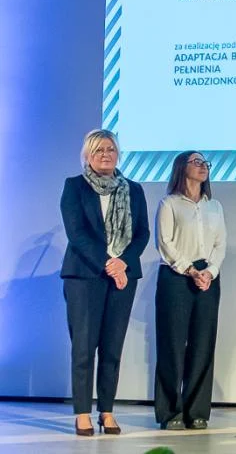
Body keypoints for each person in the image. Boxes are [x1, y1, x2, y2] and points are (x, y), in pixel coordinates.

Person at [60, 129, 150, 436]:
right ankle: (83, 412)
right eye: (98, 150)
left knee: (112, 347)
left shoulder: (133, 189)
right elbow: (77, 233)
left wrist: (123, 262)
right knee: (84, 347)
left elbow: (142, 233)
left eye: (110, 149)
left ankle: (107, 411)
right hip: (85, 275)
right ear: (87, 155)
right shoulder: (75, 186)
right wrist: (108, 263)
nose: (105, 155)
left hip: (123, 274)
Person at [153, 151, 226, 430]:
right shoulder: (169, 203)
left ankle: (196, 411)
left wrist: (210, 272)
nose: (203, 166)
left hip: (207, 277)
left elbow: (220, 244)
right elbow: (165, 243)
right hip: (176, 277)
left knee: (203, 344)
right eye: (196, 162)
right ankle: (170, 411)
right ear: (181, 168)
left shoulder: (215, 206)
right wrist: (190, 270)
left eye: (205, 163)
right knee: (172, 345)